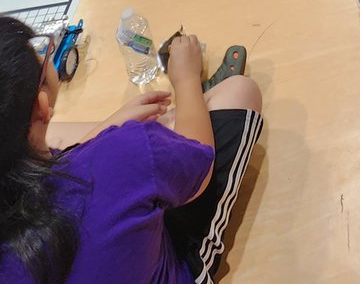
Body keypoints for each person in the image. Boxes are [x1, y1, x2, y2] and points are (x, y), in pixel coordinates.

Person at [0, 17, 263, 284]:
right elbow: (199, 162)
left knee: (63, 135)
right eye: (43, 55)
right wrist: (186, 80)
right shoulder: (124, 152)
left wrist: (110, 127)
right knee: (240, 91)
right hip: (164, 258)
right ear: (42, 105)